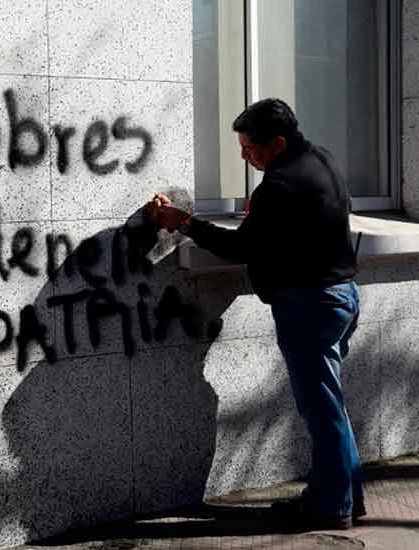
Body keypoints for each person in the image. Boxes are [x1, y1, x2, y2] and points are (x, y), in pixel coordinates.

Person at [147, 98, 364, 530]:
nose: (244, 155)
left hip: (310, 304)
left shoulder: (280, 186)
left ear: (278, 143)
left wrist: (182, 221)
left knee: (321, 410)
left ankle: (333, 507)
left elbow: (239, 247)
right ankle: (342, 496)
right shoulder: (323, 160)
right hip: (341, 294)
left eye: (250, 147)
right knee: (329, 405)